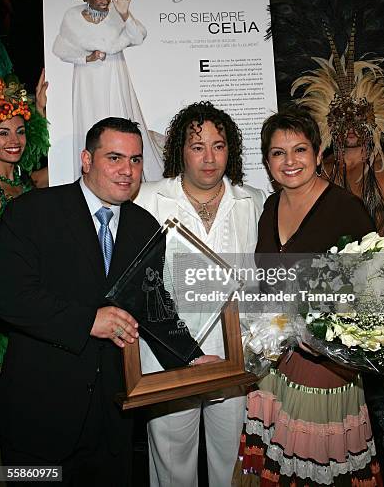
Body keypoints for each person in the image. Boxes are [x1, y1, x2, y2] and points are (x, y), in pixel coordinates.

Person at [0, 117, 207, 487]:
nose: (127, 170)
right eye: (115, 158)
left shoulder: (145, 227)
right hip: (39, 417)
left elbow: (154, 305)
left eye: (136, 160)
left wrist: (192, 359)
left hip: (111, 422)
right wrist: (87, 321)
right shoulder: (32, 213)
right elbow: (10, 297)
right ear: (86, 160)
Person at [291, 25, 384, 466]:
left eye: (358, 117)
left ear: (373, 118)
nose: (350, 126)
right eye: (341, 117)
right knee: (343, 397)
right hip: (331, 299)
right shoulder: (316, 172)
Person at [234, 105, 383, 487]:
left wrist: (329, 335)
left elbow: (377, 290)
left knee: (312, 469)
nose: (289, 162)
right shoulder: (269, 207)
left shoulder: (345, 210)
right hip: (273, 362)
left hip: (325, 367)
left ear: (318, 155)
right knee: (274, 464)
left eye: (300, 150)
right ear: (267, 162)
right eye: (278, 153)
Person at [135, 101, 265, 487]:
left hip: (234, 356)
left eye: (218, 145)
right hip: (168, 357)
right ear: (180, 151)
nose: (209, 158)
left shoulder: (253, 201)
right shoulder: (148, 199)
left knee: (234, 464)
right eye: (197, 146)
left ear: (231, 150)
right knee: (173, 468)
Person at [52, 0, 163, 180]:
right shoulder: (72, 17)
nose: (104, 1)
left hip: (114, 73)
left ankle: (127, 172)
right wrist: (86, 58)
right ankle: (95, 176)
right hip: (87, 79)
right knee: (92, 123)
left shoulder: (116, 12)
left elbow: (138, 36)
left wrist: (124, 14)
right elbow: (61, 48)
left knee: (120, 117)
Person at [0, 69, 48, 368]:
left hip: (31, 302)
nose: (14, 140)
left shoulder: (28, 181)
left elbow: (68, 167)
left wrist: (40, 110)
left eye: (19, 131)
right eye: (3, 133)